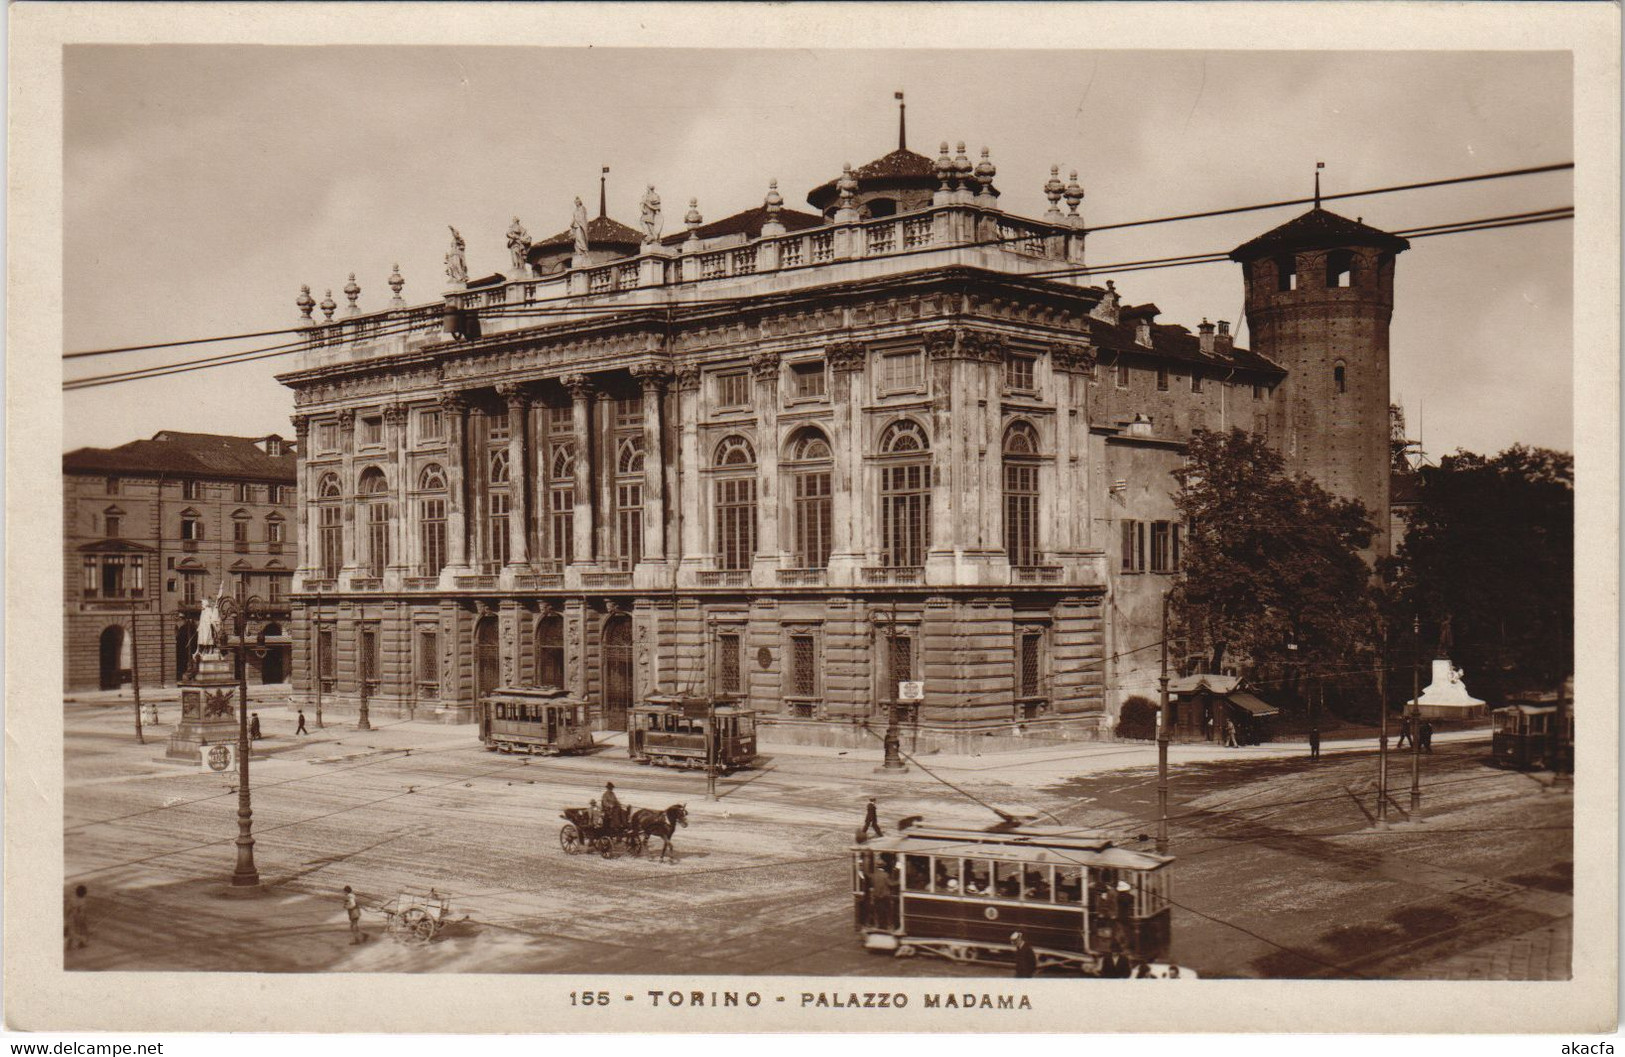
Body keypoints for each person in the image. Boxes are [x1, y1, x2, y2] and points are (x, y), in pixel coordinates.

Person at [869, 862, 894, 930]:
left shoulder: (873, 875)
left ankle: (880, 926)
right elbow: (891, 884)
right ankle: (886, 926)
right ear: (884, 867)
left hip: (876, 896)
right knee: (886, 911)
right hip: (885, 896)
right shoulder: (885, 875)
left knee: (879, 912)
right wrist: (898, 881)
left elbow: (872, 885)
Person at [65, 884, 90, 950]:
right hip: (78, 918)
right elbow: (83, 911)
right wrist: (84, 920)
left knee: (72, 931)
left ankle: (70, 945)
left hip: (72, 917)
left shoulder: (72, 899)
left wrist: (66, 918)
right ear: (84, 893)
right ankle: (82, 941)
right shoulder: (83, 901)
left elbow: (68, 909)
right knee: (79, 931)